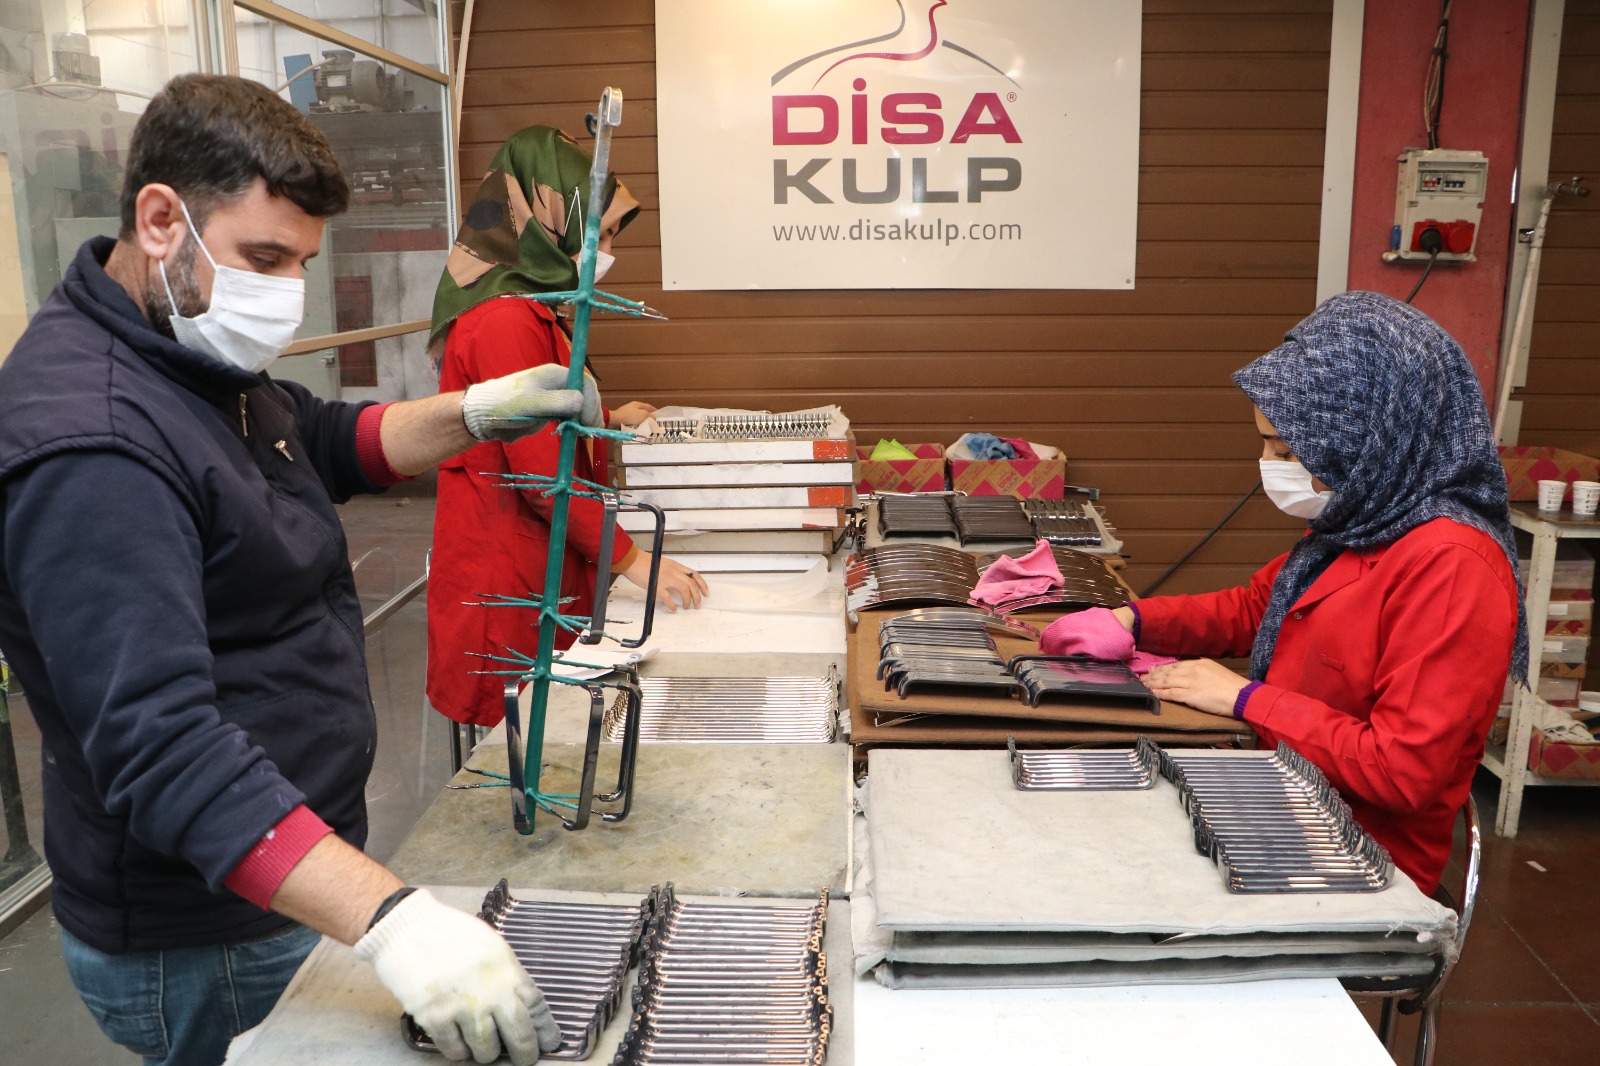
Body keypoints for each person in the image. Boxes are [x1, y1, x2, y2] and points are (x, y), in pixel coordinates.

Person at [0, 75, 587, 1066]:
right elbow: (162, 749)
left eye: (301, 263)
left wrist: (474, 413)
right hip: (207, 926)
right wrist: (394, 922)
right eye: (264, 258)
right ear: (160, 221)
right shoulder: (93, 444)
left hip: (288, 868)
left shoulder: (179, 346)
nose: (284, 293)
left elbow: (314, 439)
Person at [1045, 291, 1525, 895]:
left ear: (1365, 439)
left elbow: (1401, 770)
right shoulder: (1364, 518)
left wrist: (1246, 699)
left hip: (1356, 856)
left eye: (1285, 450)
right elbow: (1258, 607)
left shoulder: (1453, 567)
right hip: (1280, 790)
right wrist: (1132, 620)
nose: (1270, 465)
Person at [425, 126, 707, 728]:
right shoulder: (504, 322)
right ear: (556, 220)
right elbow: (539, 473)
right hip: (509, 577)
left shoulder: (528, 306)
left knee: (546, 730)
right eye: (604, 233)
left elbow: (538, 412)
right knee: (522, 739)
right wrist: (632, 559)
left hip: (533, 564)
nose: (609, 251)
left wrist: (605, 418)